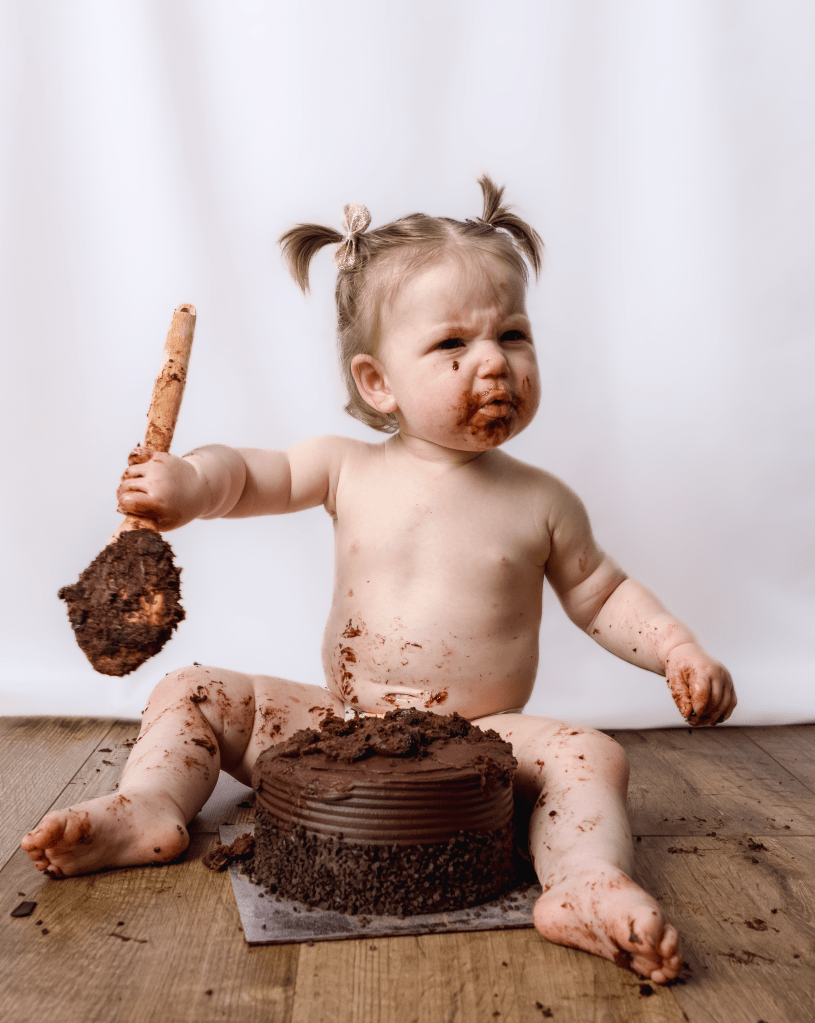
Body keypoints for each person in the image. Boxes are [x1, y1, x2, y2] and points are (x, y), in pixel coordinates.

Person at [22, 178, 736, 984]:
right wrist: (187, 482)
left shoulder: (541, 500)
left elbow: (602, 594)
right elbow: (252, 474)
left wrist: (675, 648)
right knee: (192, 689)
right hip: (340, 721)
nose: (494, 362)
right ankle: (150, 806)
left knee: (590, 754)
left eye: (513, 333)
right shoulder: (345, 467)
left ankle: (580, 881)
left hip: (485, 735)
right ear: (377, 382)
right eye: (452, 346)